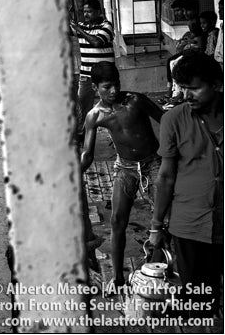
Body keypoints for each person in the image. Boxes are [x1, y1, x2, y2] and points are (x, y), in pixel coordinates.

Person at [148, 52, 223, 321]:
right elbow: (166, 176)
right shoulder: (173, 120)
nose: (186, 95)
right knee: (200, 300)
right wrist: (156, 227)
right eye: (182, 88)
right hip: (190, 225)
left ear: (217, 84)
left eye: (193, 88)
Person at [79, 61, 164, 290]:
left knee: (162, 219)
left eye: (116, 84)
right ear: (96, 88)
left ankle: (155, 270)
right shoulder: (94, 116)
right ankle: (117, 278)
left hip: (153, 163)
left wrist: (172, 155)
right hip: (125, 168)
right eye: (107, 87)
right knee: (117, 220)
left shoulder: (135, 100)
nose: (114, 91)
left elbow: (166, 120)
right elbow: (87, 155)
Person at [71, 0, 116, 136]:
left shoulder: (106, 26)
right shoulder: (82, 26)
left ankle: (115, 133)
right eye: (84, 12)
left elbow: (96, 42)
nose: (86, 15)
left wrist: (78, 29)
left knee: (110, 106)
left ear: (98, 12)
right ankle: (82, 134)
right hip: (86, 76)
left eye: (89, 11)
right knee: (83, 106)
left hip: (105, 75)